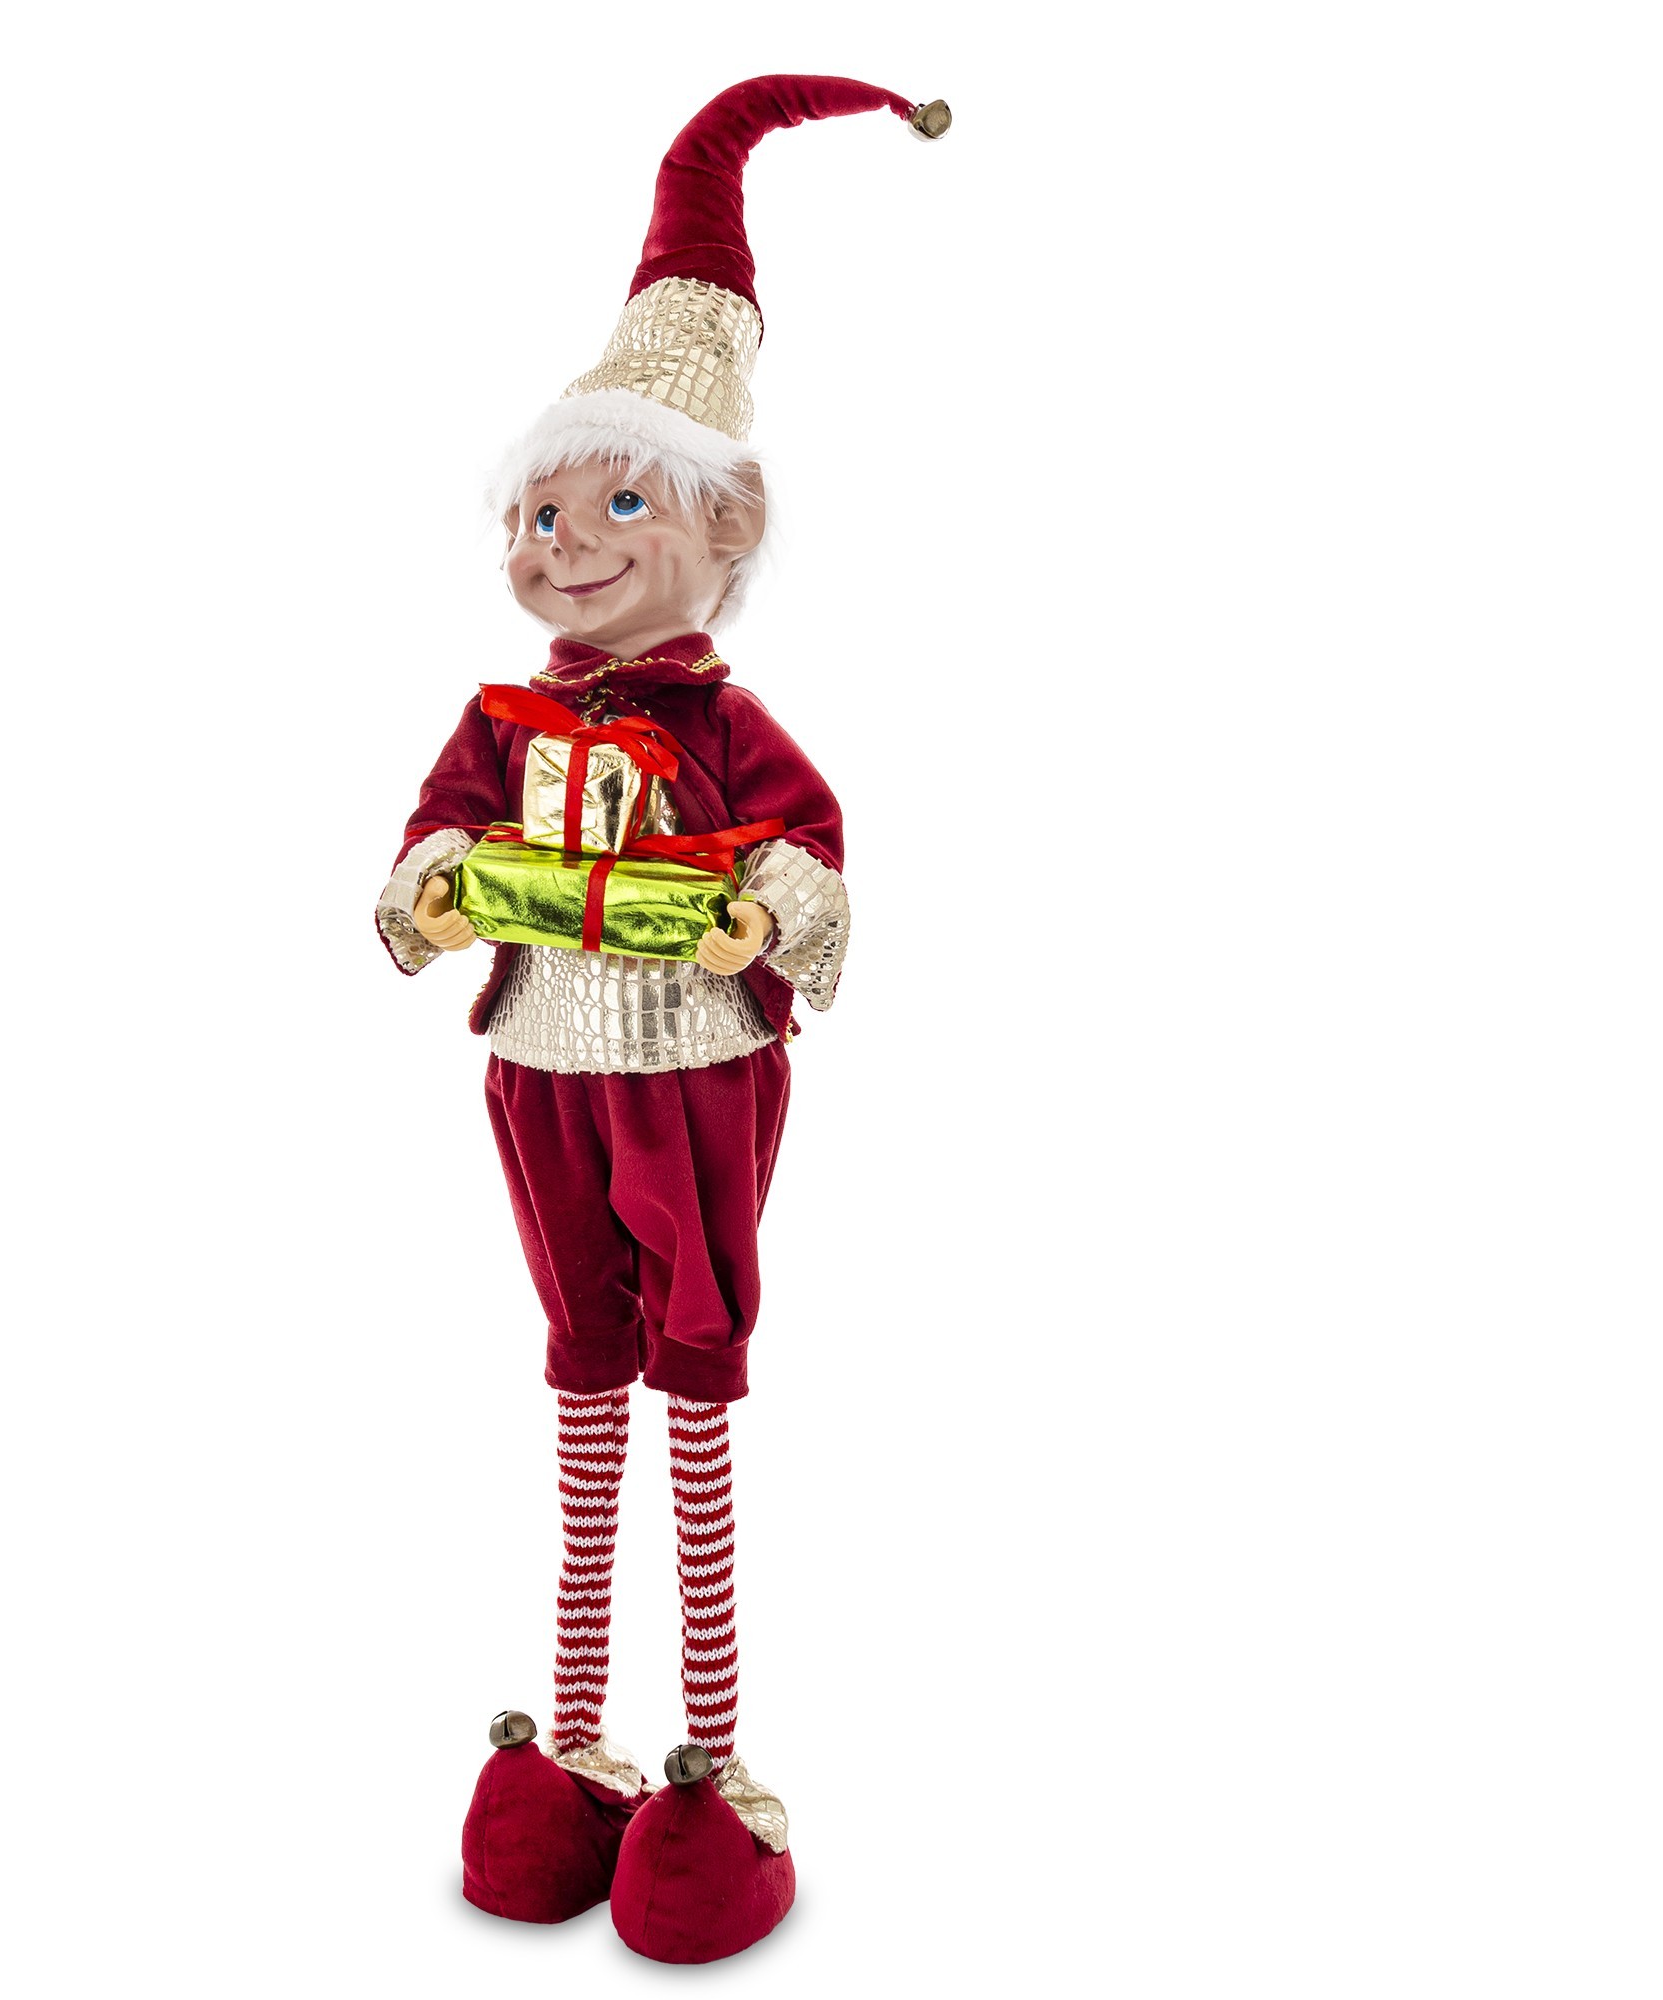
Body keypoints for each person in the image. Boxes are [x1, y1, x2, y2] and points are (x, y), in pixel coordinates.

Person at [372, 75, 948, 1966]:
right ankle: (572, 1737)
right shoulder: (505, 720)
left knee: (692, 1367)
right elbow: (433, 835)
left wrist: (767, 909)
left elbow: (811, 853)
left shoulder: (722, 725)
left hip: (694, 1077)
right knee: (576, 1364)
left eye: (621, 500)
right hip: (538, 1066)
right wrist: (431, 890)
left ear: (727, 523)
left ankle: (709, 1752)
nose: (569, 539)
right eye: (543, 509)